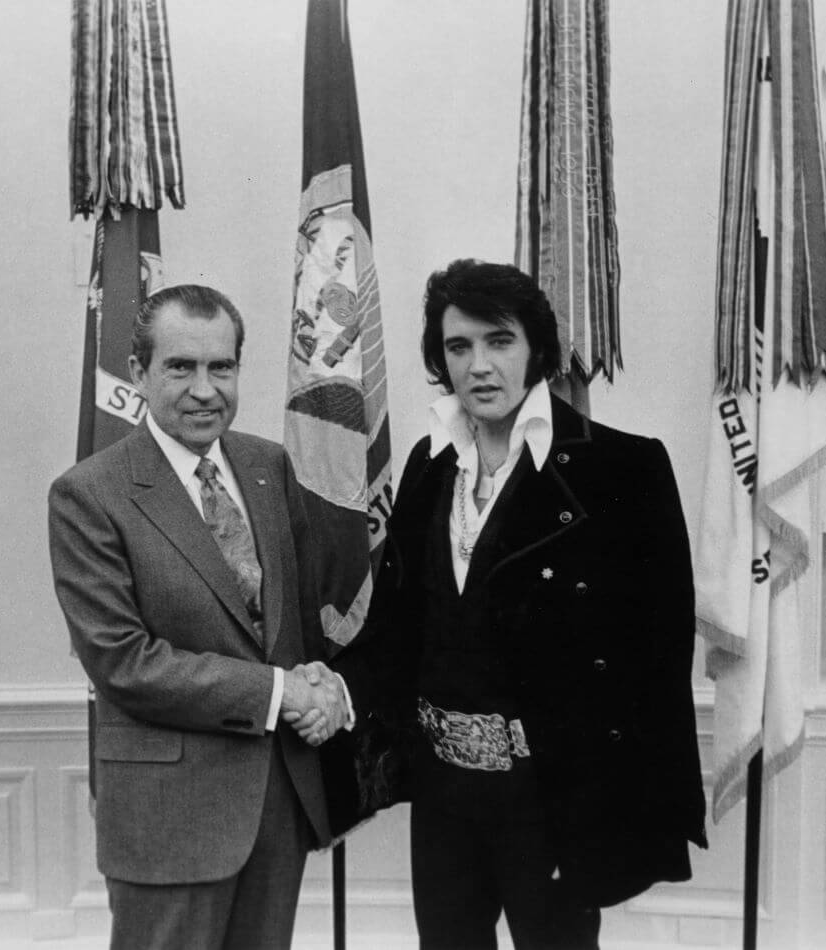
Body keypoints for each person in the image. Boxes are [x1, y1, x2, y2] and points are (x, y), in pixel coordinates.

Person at [289, 259, 707, 950]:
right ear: (441, 359)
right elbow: (399, 631)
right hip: (443, 795)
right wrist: (335, 683)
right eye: (459, 347)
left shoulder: (622, 469)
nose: (479, 365)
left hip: (554, 796)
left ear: (535, 349)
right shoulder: (429, 465)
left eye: (499, 341)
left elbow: (657, 655)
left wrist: (617, 808)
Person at [48, 284, 348, 950]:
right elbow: (124, 664)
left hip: (278, 804)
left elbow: (294, 628)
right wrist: (281, 692)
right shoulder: (89, 494)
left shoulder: (267, 465)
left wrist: (327, 687)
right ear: (138, 372)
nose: (204, 389)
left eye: (222, 368)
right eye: (180, 367)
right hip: (168, 819)